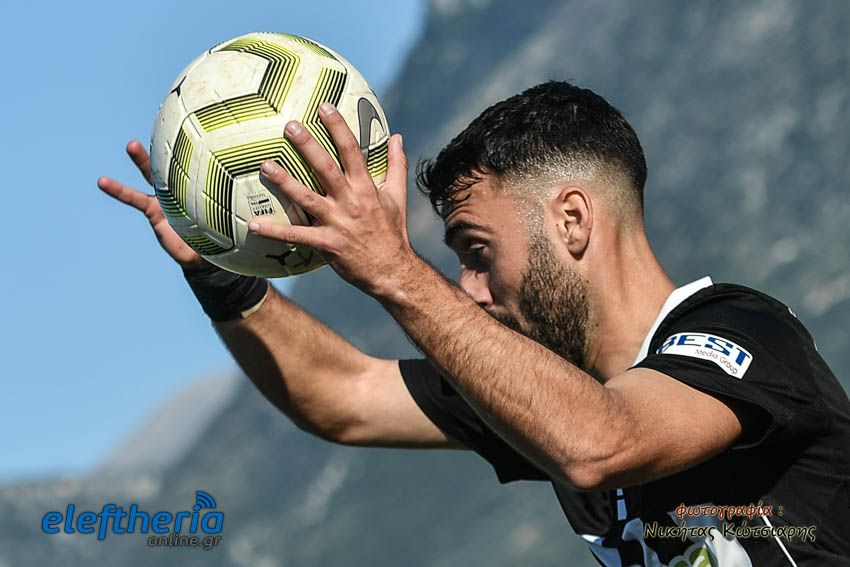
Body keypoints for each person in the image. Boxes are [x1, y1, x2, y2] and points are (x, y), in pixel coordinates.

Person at [98, 81, 850, 566]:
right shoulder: (541, 384)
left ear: (573, 220)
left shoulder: (746, 332)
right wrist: (222, 274)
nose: (469, 289)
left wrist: (394, 270)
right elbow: (343, 396)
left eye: (478, 252)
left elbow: (602, 441)